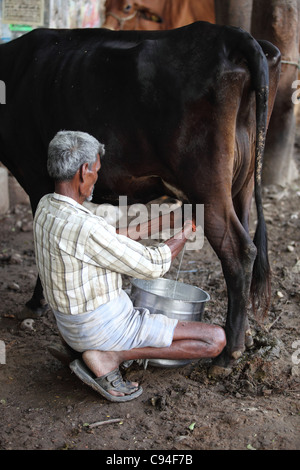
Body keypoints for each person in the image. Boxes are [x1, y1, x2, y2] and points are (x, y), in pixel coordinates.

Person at [33, 130, 226, 402]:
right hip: (104, 329)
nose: (96, 179)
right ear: (84, 170)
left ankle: (91, 351)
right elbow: (153, 264)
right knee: (215, 339)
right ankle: (113, 355)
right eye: (96, 172)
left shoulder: (47, 207)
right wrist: (187, 230)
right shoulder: (84, 227)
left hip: (71, 326)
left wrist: (164, 221)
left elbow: (109, 236)